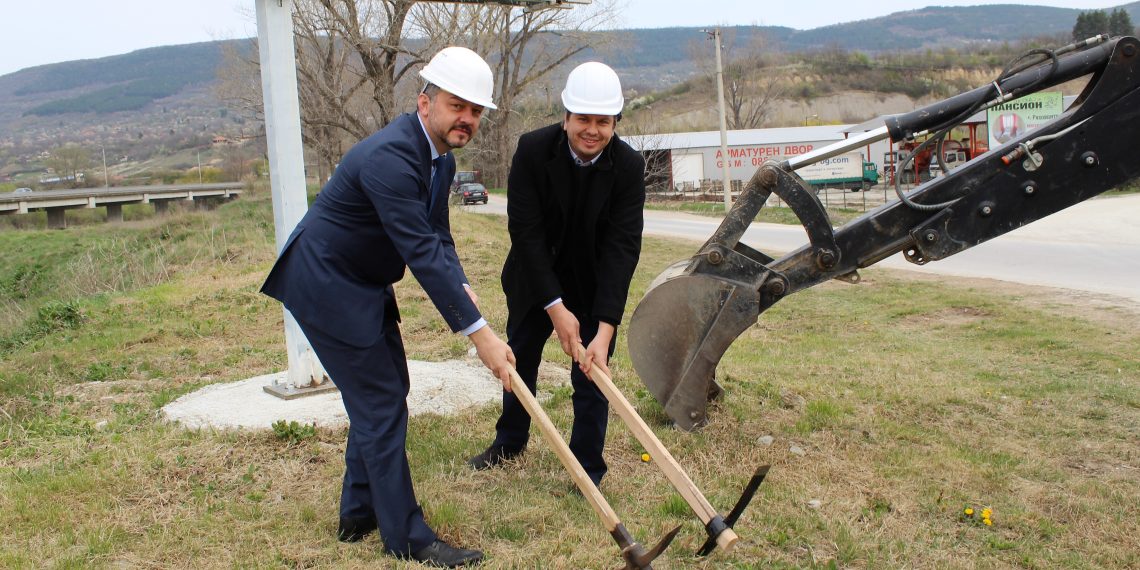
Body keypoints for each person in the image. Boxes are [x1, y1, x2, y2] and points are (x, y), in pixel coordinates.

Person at [261, 46, 515, 568]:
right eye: (456, 106)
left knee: (386, 391)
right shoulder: (390, 158)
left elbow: (438, 237)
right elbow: (419, 251)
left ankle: (357, 514)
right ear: (425, 102)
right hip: (325, 282)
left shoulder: (440, 159)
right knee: (379, 404)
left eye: (475, 110)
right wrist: (481, 336)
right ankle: (406, 538)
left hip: (363, 281)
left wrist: (463, 287)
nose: (466, 118)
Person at [467, 61, 645, 486]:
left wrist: (605, 328)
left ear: (615, 124)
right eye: (583, 119)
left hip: (592, 283)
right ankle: (510, 442)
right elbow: (525, 233)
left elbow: (623, 248)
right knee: (520, 357)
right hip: (534, 277)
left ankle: (588, 467)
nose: (592, 130)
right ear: (566, 117)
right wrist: (554, 305)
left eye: (603, 122)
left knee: (592, 372)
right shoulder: (532, 150)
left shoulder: (629, 166)